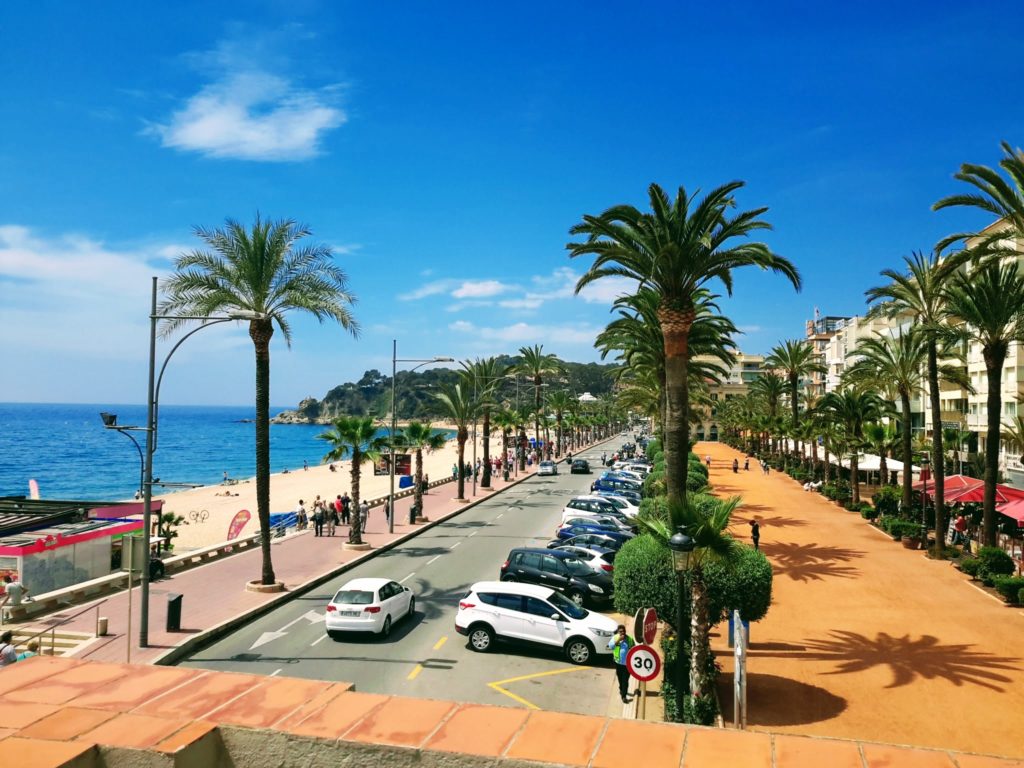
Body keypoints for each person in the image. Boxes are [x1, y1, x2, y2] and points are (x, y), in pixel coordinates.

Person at [607, 624, 635, 703]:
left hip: (627, 664)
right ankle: (621, 689)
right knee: (620, 678)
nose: (622, 633)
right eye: (620, 631)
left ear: (625, 631)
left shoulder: (629, 639)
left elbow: (634, 649)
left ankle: (624, 696)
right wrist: (618, 640)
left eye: (623, 631)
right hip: (618, 663)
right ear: (618, 632)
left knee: (625, 680)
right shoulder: (615, 638)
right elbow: (611, 646)